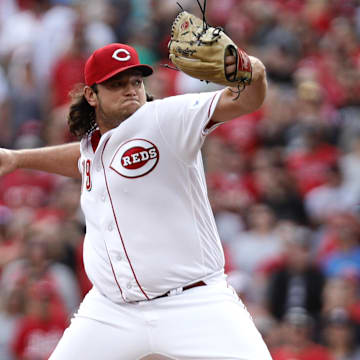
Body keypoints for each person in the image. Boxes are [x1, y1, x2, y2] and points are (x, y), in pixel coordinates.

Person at [0, 42, 270, 359]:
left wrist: (250, 68)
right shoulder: (94, 146)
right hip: (111, 311)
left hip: (194, 303)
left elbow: (247, 100)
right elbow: (85, 158)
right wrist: (17, 159)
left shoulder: (166, 119)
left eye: (135, 82)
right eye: (117, 84)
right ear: (91, 95)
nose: (130, 91)